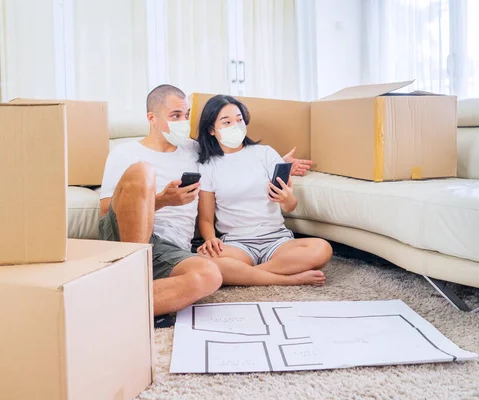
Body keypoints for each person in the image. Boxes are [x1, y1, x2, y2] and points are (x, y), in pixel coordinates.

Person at [98, 85, 316, 323]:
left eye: (186, 114)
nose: (183, 122)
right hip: (128, 239)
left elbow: (233, 157)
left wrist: (279, 164)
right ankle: (133, 277)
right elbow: (107, 210)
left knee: (211, 276)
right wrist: (161, 201)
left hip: (171, 248)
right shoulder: (125, 152)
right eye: (175, 116)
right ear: (152, 118)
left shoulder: (195, 150)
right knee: (143, 171)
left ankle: (118, 304)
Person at [196, 94, 332, 285]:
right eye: (226, 122)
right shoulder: (208, 166)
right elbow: (205, 218)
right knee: (203, 259)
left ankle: (246, 275)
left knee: (322, 248)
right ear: (212, 129)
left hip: (277, 241)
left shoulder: (266, 154)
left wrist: (286, 199)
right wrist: (210, 239)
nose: (235, 126)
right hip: (236, 244)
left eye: (239, 119)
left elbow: (290, 206)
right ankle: (289, 279)